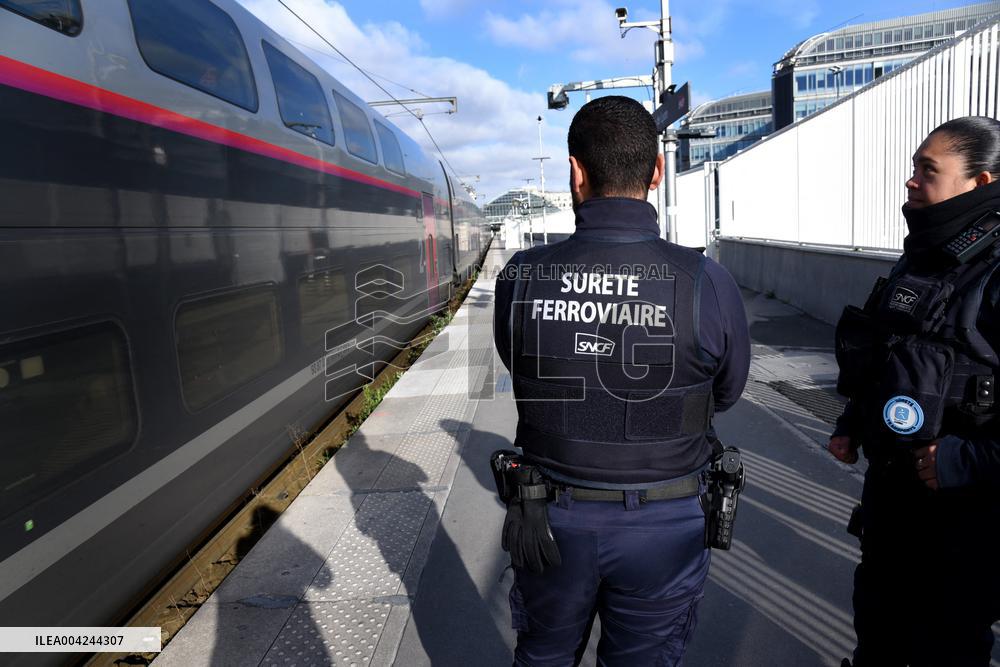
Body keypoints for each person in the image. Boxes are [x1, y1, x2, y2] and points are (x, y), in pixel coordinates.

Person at [493, 96, 750, 666]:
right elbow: (726, 394)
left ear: (575, 171)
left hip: (549, 520)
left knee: (543, 656)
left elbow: (523, 367)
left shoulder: (522, 276)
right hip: (665, 526)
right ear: (657, 171)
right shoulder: (707, 280)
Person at [829, 116, 1000, 666]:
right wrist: (853, 421)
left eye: (928, 171)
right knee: (876, 640)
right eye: (913, 168)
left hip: (964, 527)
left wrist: (966, 459)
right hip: (890, 511)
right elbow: (889, 356)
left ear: (982, 182)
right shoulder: (919, 259)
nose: (910, 181)